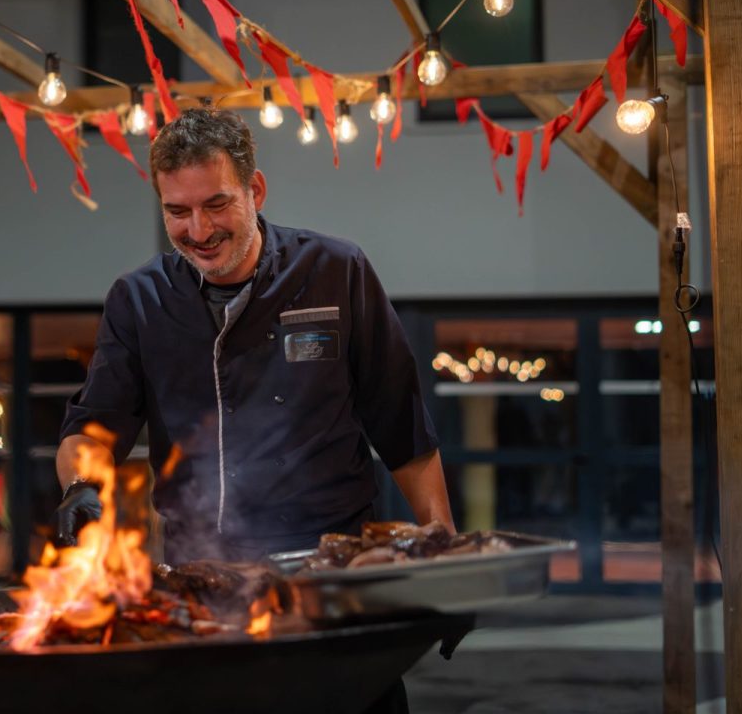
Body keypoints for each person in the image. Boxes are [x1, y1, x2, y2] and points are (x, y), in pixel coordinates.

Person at [53, 107, 454, 565]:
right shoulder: (140, 299)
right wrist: (81, 486)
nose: (199, 230)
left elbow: (401, 422)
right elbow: (95, 425)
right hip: (203, 565)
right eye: (178, 211)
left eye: (216, 205)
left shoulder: (335, 271)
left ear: (255, 191)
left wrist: (445, 548)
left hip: (331, 556)